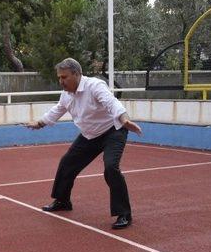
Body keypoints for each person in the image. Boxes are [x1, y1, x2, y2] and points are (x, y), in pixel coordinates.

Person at [25, 58, 142, 229]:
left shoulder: (94, 86)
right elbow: (58, 109)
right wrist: (40, 123)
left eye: (64, 77)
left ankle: (124, 213)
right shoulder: (66, 94)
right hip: (89, 135)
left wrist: (124, 120)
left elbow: (112, 103)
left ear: (76, 74)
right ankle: (63, 201)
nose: (61, 81)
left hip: (113, 131)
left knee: (111, 168)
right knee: (67, 163)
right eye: (59, 77)